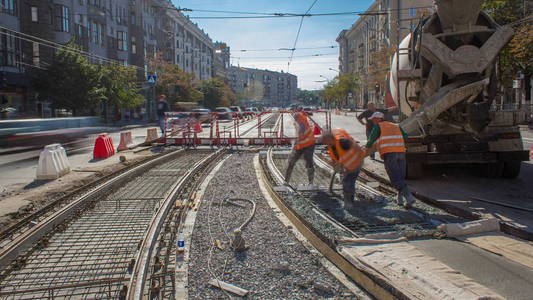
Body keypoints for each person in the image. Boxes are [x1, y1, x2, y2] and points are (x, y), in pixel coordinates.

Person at [366, 111, 415, 208]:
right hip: (401, 152)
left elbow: (371, 141)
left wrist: (366, 148)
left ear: (378, 119)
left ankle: (409, 196)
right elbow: (405, 136)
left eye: (373, 119)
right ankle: (400, 199)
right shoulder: (396, 125)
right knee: (400, 176)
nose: (373, 121)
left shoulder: (378, 126)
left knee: (395, 178)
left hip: (389, 153)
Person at [322, 128, 366, 209]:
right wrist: (336, 165)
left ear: (330, 138)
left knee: (347, 182)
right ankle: (349, 202)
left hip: (356, 162)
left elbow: (356, 148)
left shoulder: (342, 141)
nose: (326, 143)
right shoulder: (331, 145)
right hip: (349, 165)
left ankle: (348, 204)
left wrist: (342, 163)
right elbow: (335, 157)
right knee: (348, 182)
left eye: (326, 141)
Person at [284, 109, 316, 186]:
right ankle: (310, 182)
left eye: (294, 118)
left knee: (307, 162)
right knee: (296, 162)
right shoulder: (301, 118)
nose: (294, 119)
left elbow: (300, 134)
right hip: (305, 144)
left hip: (308, 144)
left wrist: (294, 145)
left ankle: (286, 181)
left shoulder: (301, 123)